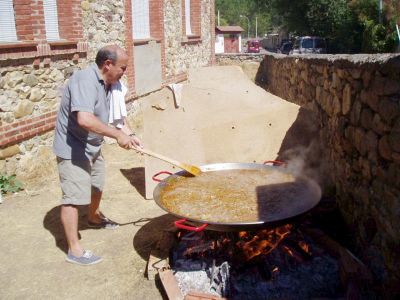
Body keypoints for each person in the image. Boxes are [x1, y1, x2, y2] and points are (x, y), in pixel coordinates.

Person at [53, 45, 143, 266]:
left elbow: (116, 116)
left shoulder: (110, 84)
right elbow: (84, 119)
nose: (125, 72)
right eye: (123, 67)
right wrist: (116, 135)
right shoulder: (85, 81)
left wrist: (129, 133)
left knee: (97, 185)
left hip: (92, 145)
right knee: (73, 198)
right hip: (73, 147)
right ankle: (74, 250)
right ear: (108, 65)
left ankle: (93, 218)